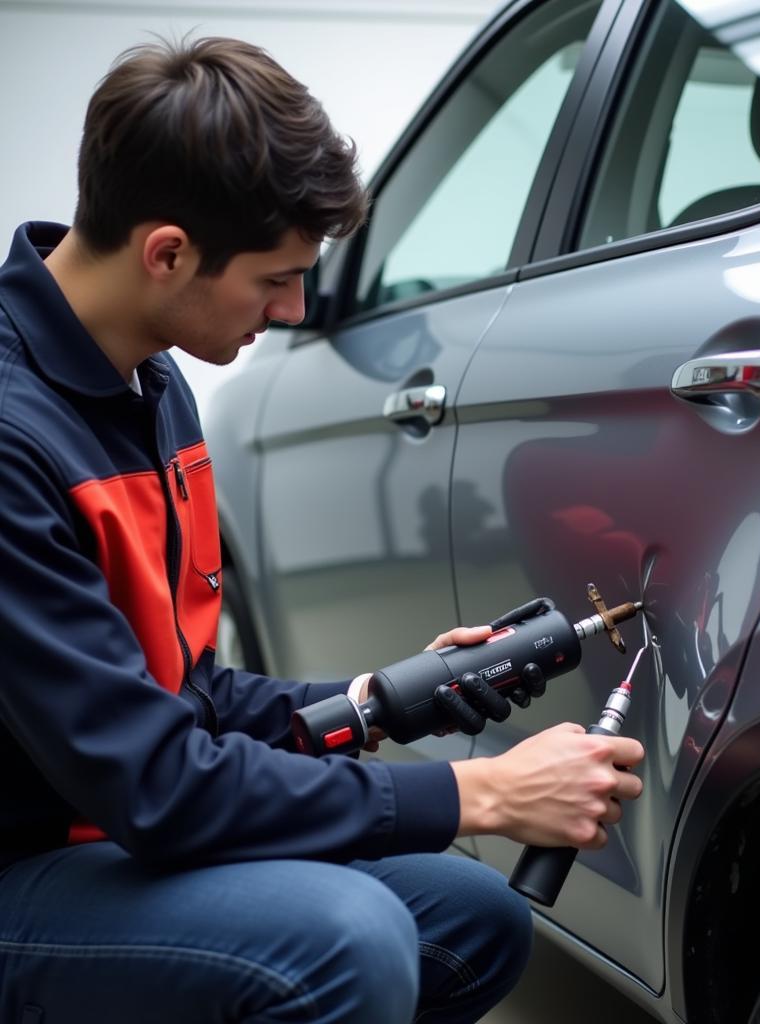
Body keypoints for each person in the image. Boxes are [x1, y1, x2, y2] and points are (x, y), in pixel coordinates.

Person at [0, 36, 645, 1024]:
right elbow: (160, 787)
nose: (297, 309)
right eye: (275, 279)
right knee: (345, 937)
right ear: (167, 252)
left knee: (472, 916)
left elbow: (182, 693)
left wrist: (378, 698)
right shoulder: (13, 441)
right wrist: (477, 795)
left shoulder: (150, 378)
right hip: (29, 866)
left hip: (108, 818)